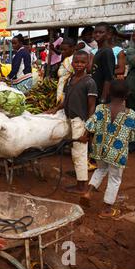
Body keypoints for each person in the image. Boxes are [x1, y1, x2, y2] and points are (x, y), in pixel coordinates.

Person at [80, 81, 135, 219]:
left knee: (100, 170)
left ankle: (88, 192)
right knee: (114, 178)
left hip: (100, 148)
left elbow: (90, 125)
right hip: (117, 153)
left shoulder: (101, 108)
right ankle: (107, 209)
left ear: (109, 93)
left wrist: (86, 136)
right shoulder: (131, 115)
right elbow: (134, 136)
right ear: (127, 95)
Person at [47, 51, 98, 194]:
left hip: (81, 122)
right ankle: (80, 183)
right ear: (72, 63)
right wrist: (55, 109)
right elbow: (67, 100)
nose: (79, 65)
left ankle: (82, 186)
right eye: (77, 62)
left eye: (83, 62)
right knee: (75, 152)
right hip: (70, 118)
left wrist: (88, 131)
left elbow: (91, 107)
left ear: (88, 63)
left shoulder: (89, 82)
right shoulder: (71, 79)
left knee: (79, 153)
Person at [92, 22, 116, 104]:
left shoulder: (107, 51)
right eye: (95, 32)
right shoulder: (100, 50)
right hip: (96, 92)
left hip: (102, 95)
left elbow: (109, 77)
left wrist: (103, 98)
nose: (97, 34)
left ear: (108, 34)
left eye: (101, 32)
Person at [56, 38, 76, 103]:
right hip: (62, 91)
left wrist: (65, 91)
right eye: (61, 50)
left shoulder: (73, 60)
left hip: (66, 92)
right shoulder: (67, 59)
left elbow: (73, 77)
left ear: (72, 48)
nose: (62, 52)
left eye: (65, 50)